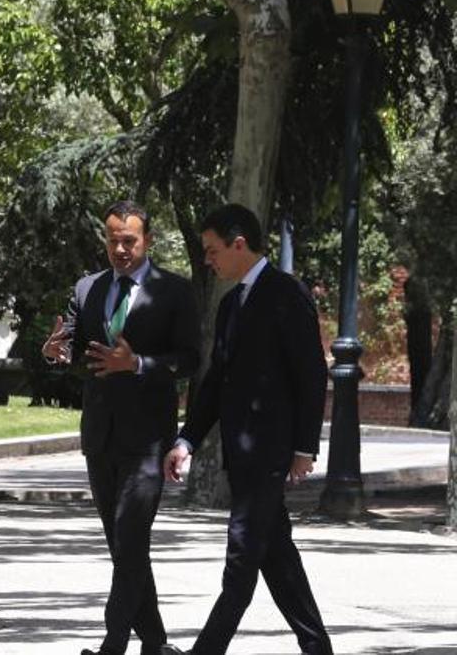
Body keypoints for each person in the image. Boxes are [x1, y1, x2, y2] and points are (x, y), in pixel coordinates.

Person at [163, 204, 332, 655]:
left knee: (240, 563)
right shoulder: (231, 303)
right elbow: (216, 382)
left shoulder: (286, 293)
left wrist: (303, 446)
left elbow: (312, 374)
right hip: (243, 456)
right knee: (277, 560)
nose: (207, 260)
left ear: (239, 244)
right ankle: (318, 648)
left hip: (270, 452)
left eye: (212, 250)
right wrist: (187, 440)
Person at [42, 200, 198, 655]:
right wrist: (54, 352)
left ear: (146, 240)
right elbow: (72, 348)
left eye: (129, 240)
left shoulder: (174, 291)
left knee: (131, 538)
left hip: (148, 441)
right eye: (112, 239)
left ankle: (113, 644)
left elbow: (190, 360)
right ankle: (154, 642)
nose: (120, 249)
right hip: (100, 436)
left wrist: (140, 364)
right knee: (122, 545)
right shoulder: (88, 288)